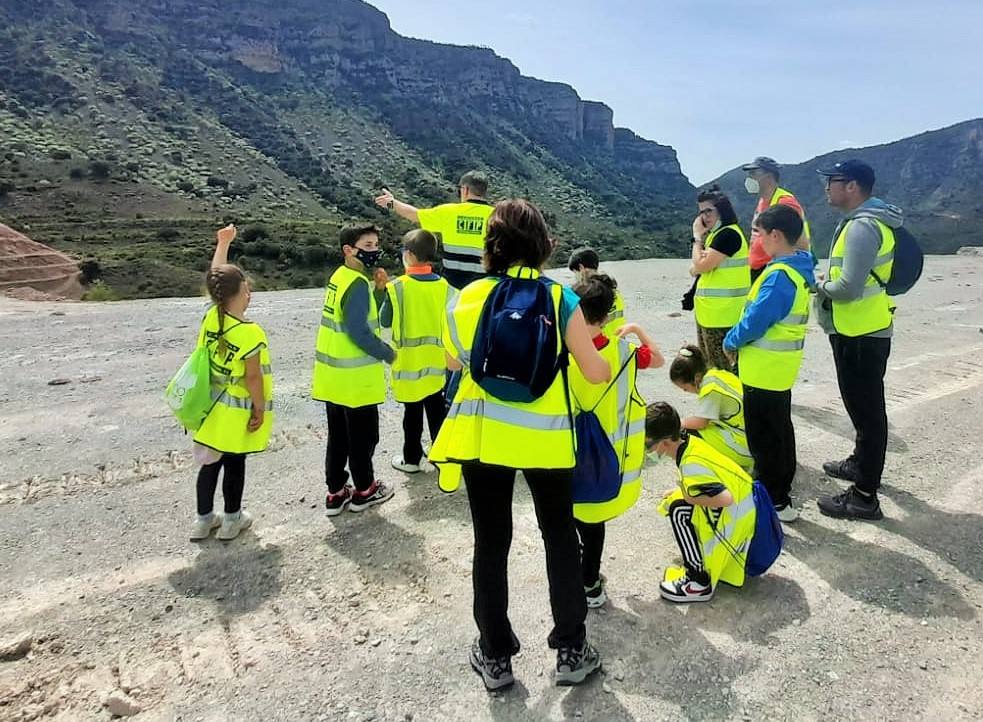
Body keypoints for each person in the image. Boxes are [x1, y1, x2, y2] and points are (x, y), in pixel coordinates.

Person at [428, 199, 610, 690]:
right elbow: (595, 372)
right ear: (544, 245)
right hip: (546, 444)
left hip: (484, 441)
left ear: (492, 247)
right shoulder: (559, 300)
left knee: (492, 544)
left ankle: (494, 656)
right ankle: (572, 649)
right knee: (558, 540)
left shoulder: (465, 299)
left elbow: (451, 364)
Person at [814, 160, 903, 521]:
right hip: (856, 330)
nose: (826, 188)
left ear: (851, 186)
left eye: (832, 182)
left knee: (868, 414)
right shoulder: (858, 223)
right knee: (862, 409)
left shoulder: (863, 228)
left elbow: (848, 289)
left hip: (862, 333)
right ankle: (859, 464)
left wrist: (818, 285)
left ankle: (864, 496)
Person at [568, 273, 663, 608]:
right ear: (607, 316)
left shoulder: (558, 352)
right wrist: (636, 330)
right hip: (606, 456)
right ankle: (591, 585)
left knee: (566, 518)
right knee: (594, 524)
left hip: (562, 452)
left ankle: (569, 576)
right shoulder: (625, 353)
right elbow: (659, 359)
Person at [723, 205, 814, 523]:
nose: (757, 240)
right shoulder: (797, 269)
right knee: (779, 431)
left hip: (764, 369)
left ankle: (773, 498)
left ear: (775, 235)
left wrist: (730, 340)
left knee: (764, 438)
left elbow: (755, 321)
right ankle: (779, 494)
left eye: (759, 234)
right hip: (778, 369)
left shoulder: (778, 277)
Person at [190, 224, 273, 541]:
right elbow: (253, 377)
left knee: (209, 466)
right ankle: (232, 520)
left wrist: (222, 244)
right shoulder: (250, 332)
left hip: (208, 408)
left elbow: (216, 276)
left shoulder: (212, 316)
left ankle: (202, 520)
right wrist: (260, 408)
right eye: (247, 289)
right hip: (235, 412)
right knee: (235, 464)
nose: (250, 293)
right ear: (239, 294)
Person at [312, 223, 397, 516]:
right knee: (363, 439)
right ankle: (365, 490)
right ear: (349, 249)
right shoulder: (357, 284)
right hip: (356, 381)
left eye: (376, 244)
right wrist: (388, 354)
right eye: (369, 245)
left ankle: (336, 492)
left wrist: (380, 291)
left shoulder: (341, 277)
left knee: (338, 438)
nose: (375, 250)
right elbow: (359, 331)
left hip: (333, 378)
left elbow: (356, 313)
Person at [645, 402, 756, 603]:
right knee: (677, 499)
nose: (647, 451)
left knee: (678, 510)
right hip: (746, 502)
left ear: (665, 442)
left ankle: (698, 581)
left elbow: (724, 499)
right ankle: (698, 563)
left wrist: (688, 497)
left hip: (739, 517)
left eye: (648, 445)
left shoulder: (690, 464)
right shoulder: (690, 442)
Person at [379, 229, 453, 474]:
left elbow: (385, 321)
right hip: (436, 364)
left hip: (409, 365)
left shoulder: (397, 287)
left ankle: (411, 460)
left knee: (412, 415)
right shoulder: (445, 287)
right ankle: (443, 459)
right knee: (436, 411)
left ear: (408, 255)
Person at [375, 171, 494, 290]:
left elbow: (414, 215)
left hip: (452, 288)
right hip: (483, 289)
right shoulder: (495, 216)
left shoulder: (449, 212)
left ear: (465, 190)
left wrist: (391, 203)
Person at [689, 185, 750, 372]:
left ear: (722, 210)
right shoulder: (717, 234)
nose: (705, 217)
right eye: (701, 213)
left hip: (724, 316)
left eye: (709, 211)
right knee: (713, 367)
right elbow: (700, 265)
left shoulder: (728, 234)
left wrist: (697, 238)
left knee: (723, 370)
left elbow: (700, 266)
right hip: (711, 314)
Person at [669, 344, 753, 473]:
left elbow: (700, 423)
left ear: (696, 378)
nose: (686, 392)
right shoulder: (716, 374)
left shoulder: (710, 390)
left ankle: (702, 475)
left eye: (685, 388)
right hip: (752, 438)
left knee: (685, 434)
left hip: (744, 446)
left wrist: (675, 423)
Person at [742, 156, 811, 282]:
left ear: (768, 177)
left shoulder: (785, 202)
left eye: (753, 174)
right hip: (760, 268)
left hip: (774, 270)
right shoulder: (763, 201)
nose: (749, 178)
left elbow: (799, 243)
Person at [567, 247, 627, 338]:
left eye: (575, 273)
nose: (576, 277)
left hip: (600, 346)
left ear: (581, 268)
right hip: (619, 344)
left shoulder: (589, 296)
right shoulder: (613, 291)